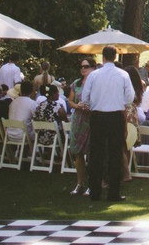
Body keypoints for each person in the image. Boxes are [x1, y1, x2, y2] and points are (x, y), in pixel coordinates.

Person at [83, 45, 134, 203]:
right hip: (115, 116)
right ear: (115, 57)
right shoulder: (123, 74)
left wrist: (95, 102)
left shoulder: (94, 75)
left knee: (96, 154)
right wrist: (119, 101)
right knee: (115, 154)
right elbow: (130, 97)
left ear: (103, 57)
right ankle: (113, 193)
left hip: (97, 116)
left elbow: (85, 97)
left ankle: (95, 192)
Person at [67, 59, 94, 196]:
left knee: (91, 153)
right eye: (81, 67)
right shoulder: (76, 83)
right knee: (78, 152)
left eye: (86, 66)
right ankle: (79, 183)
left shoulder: (96, 84)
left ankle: (92, 184)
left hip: (92, 120)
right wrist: (77, 106)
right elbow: (70, 101)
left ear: (93, 68)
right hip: (78, 120)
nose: (83, 69)